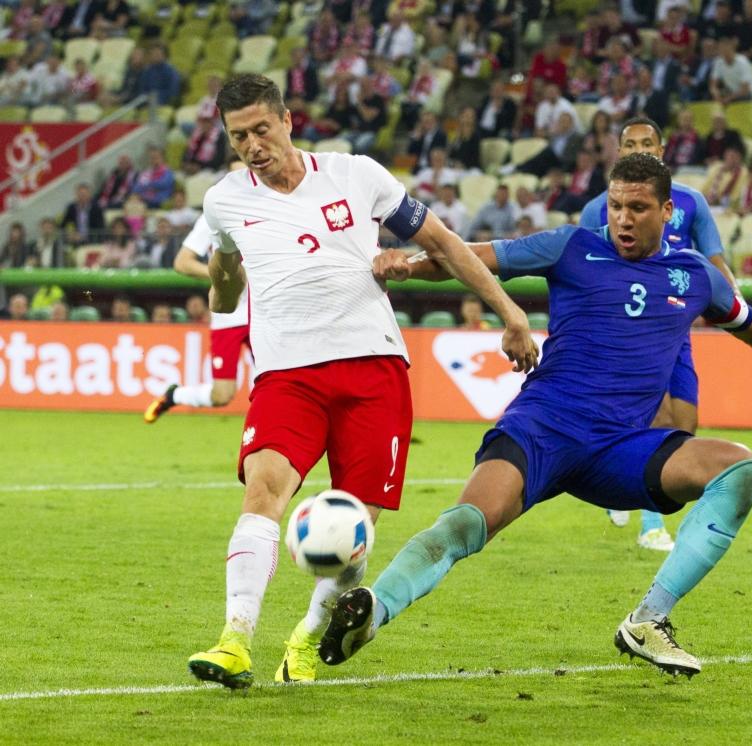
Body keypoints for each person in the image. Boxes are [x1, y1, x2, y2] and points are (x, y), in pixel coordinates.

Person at [318, 153, 752, 678]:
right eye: (616, 205)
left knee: (742, 470)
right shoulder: (571, 247)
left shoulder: (695, 276)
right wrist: (408, 264)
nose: (623, 218)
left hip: (621, 447)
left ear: (668, 211)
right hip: (542, 428)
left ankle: (648, 620)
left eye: (638, 207)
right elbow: (473, 257)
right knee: (466, 524)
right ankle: (373, 612)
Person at [185, 73, 538, 690]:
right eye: (238, 137)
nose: (252, 146)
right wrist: (221, 283)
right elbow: (226, 283)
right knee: (265, 488)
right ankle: (234, 639)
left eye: (261, 130)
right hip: (286, 373)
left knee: (357, 519)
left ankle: (304, 639)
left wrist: (509, 312)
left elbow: (444, 244)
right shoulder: (224, 202)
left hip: (372, 367)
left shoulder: (356, 174)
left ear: (288, 120)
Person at [579, 118, 737, 552]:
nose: (637, 150)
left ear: (662, 150)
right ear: (618, 151)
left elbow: (715, 259)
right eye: (629, 144)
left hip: (675, 327)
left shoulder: (690, 202)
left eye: (646, 143)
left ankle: (616, 482)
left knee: (684, 425)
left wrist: (735, 302)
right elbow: (584, 264)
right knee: (656, 418)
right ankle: (652, 524)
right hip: (625, 330)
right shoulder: (598, 207)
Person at [145, 165, 253, 422]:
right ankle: (174, 396)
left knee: (277, 383)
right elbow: (182, 262)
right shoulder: (212, 217)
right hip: (228, 315)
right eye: (235, 175)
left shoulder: (271, 211)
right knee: (222, 395)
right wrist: (220, 276)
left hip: (266, 313)